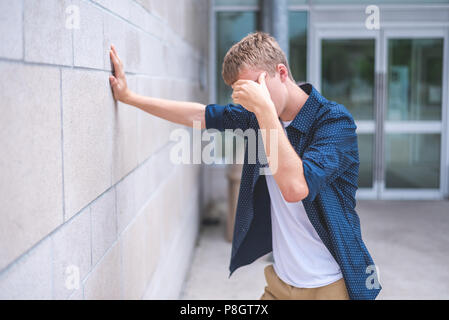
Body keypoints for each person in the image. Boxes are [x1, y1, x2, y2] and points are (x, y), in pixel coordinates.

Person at [109, 31, 381, 300]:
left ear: (282, 73)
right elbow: (198, 114)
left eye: (256, 88)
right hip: (281, 283)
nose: (252, 101)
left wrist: (263, 110)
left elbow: (295, 187)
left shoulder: (333, 122)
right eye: (245, 94)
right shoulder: (258, 116)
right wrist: (129, 97)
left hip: (330, 286)